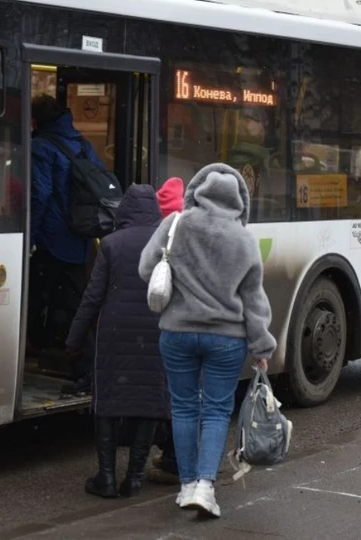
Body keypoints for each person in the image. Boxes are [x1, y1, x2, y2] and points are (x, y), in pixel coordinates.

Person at [139, 163, 275, 519]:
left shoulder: (175, 224)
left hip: (177, 333)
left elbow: (145, 269)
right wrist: (262, 347)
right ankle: (205, 486)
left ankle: (185, 486)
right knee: (216, 410)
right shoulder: (244, 239)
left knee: (183, 407)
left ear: (196, 191)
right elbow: (254, 300)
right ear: (240, 201)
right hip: (226, 339)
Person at [66, 184, 169, 498]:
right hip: (156, 333)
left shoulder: (111, 244)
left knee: (108, 405)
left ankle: (106, 478)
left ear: (124, 210)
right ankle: (134, 478)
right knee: (149, 404)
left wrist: (74, 339)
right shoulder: (167, 245)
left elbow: (92, 296)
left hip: (114, 335)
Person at [28, 94, 102, 388]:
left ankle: (85, 368)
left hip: (52, 240)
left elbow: (40, 194)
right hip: (81, 237)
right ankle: (78, 363)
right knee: (71, 301)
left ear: (35, 119)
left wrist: (30, 237)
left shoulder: (41, 147)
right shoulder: (82, 144)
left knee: (38, 299)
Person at [146, 176, 185, 486]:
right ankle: (181, 459)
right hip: (195, 333)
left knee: (173, 395)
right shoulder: (196, 237)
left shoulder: (158, 241)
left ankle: (173, 458)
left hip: (171, 333)